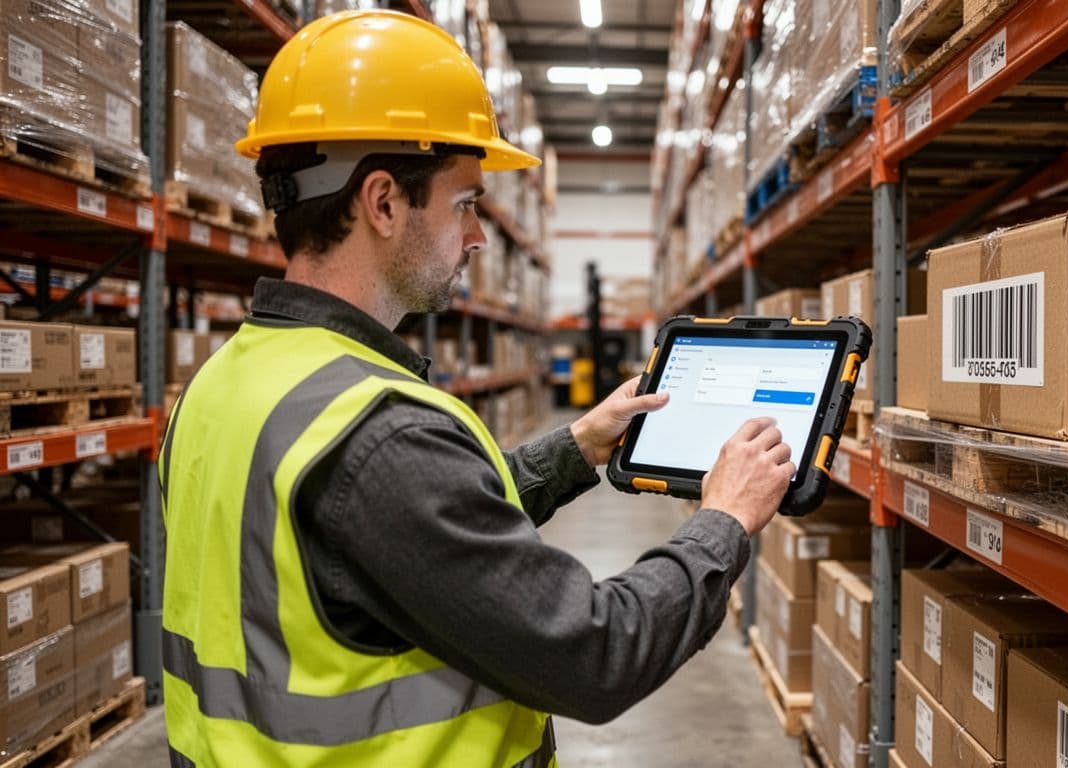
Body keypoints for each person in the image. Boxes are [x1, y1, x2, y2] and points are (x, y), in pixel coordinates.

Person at [157, 10, 795, 768]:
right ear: (384, 202)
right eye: (465, 204)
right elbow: (593, 653)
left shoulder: (226, 383)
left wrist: (577, 449)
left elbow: (400, 543)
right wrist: (723, 520)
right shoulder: (376, 434)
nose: (478, 238)